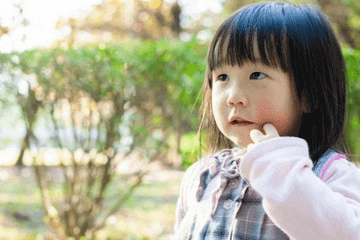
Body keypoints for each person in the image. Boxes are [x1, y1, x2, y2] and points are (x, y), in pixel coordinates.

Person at [173, 1, 360, 239]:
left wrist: (280, 169)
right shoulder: (202, 175)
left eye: (256, 75)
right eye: (222, 77)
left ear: (309, 94)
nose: (233, 97)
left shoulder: (331, 174)